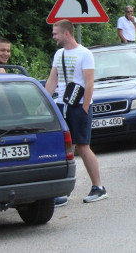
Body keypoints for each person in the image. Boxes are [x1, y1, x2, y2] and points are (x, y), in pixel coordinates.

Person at [44, 20, 107, 205]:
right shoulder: (59, 54)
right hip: (62, 105)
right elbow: (52, 81)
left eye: (56, 33)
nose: (53, 36)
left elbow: (89, 82)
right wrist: (45, 103)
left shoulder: (84, 54)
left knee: (82, 146)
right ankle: (64, 191)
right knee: (65, 148)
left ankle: (99, 187)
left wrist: (85, 107)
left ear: (66, 34)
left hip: (79, 106)